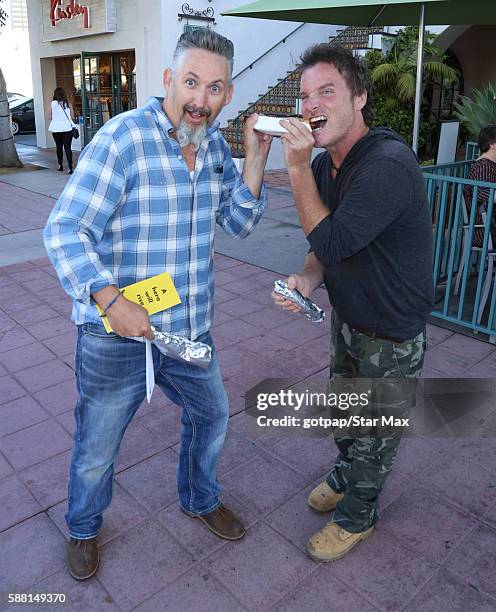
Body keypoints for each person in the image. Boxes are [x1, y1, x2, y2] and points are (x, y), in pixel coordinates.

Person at [44, 29, 272, 581]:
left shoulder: (217, 146)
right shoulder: (123, 139)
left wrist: (256, 160)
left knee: (213, 412)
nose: (201, 99)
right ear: (169, 80)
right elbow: (65, 229)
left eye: (214, 88)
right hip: (117, 332)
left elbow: (239, 223)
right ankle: (83, 527)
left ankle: (198, 498)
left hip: (189, 329)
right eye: (191, 82)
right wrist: (109, 298)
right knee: (98, 443)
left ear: (228, 94)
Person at [271, 44, 434, 562]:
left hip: (392, 326)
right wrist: (307, 280)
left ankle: (358, 514)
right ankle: (345, 476)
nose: (310, 103)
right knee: (345, 412)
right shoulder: (327, 167)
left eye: (326, 91)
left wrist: (295, 167)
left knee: (377, 433)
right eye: (304, 95)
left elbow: (336, 241)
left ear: (359, 97)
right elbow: (327, 244)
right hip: (350, 317)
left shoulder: (386, 164)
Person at [463, 125, 496, 248]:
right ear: (492, 144)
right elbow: (487, 195)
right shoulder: (483, 167)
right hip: (484, 229)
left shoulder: (488, 165)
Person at [48, 87, 76, 174]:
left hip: (56, 128)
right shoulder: (68, 103)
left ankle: (60, 165)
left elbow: (49, 117)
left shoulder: (53, 104)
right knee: (68, 148)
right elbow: (72, 116)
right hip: (67, 128)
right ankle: (70, 168)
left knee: (59, 147)